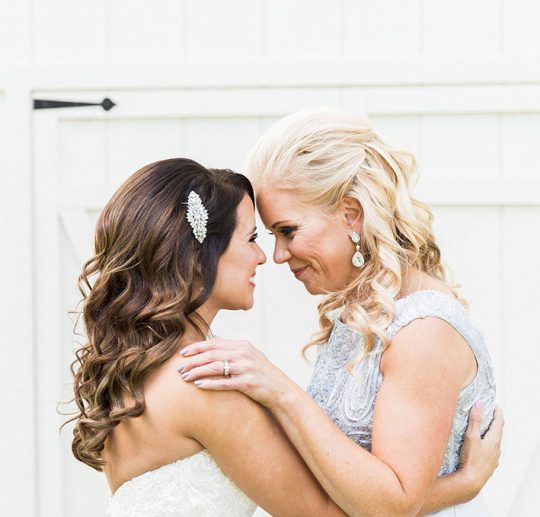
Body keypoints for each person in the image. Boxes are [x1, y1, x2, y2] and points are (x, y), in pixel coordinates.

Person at [178, 108, 502, 516]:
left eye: (288, 231)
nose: (277, 255)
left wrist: (281, 392)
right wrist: (462, 484)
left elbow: (393, 502)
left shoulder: (422, 331)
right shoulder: (368, 311)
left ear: (351, 214)